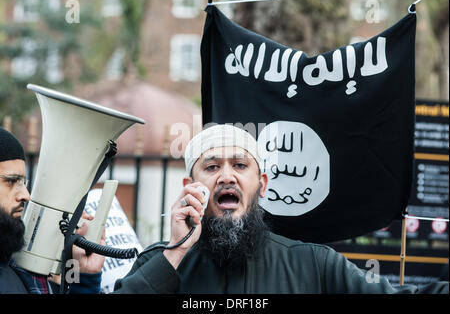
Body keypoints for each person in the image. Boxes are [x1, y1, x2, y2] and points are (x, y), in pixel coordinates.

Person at [113, 124, 449, 294]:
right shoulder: (159, 263)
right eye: (212, 167)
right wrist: (177, 251)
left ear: (262, 183)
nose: (226, 176)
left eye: (239, 165)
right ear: (190, 186)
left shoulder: (313, 265)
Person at [0, 127, 104, 294]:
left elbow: (71, 285)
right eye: (12, 181)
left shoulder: (16, 265)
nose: (26, 195)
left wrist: (82, 274)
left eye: (23, 183)